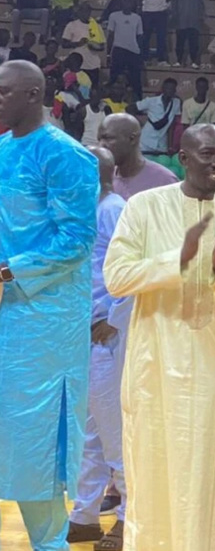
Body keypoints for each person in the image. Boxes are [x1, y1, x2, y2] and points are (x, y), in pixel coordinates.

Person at [103, 123, 215, 551]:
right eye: (208, 153)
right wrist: (181, 258)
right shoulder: (144, 208)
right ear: (183, 159)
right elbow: (116, 277)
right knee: (154, 475)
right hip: (156, 369)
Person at [0, 60, 98, 551]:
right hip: (6, 313)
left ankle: (51, 543)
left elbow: (77, 240)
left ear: (33, 94)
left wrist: (8, 271)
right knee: (11, 435)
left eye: (4, 91)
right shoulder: (1, 150)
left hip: (46, 319)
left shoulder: (67, 155)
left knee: (36, 433)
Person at [65, 145, 129, 551]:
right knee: (88, 433)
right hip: (82, 334)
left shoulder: (116, 209)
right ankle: (84, 515)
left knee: (115, 431)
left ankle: (127, 518)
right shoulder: (84, 210)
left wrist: (110, 319)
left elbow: (129, 273)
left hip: (108, 337)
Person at [98, 113, 179, 199]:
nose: (101, 145)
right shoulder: (103, 179)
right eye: (99, 140)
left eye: (108, 138)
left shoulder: (164, 180)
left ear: (132, 139)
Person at [129, 77, 181, 154]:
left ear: (175, 91)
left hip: (162, 143)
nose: (169, 90)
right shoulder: (151, 101)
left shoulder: (176, 103)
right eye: (168, 88)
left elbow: (171, 127)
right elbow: (129, 108)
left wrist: (170, 146)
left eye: (172, 89)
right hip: (145, 141)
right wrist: (138, 122)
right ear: (163, 89)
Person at [106, 0, 144, 99]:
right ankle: (111, 101)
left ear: (132, 4)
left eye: (129, 1)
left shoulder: (137, 18)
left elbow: (140, 36)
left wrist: (140, 53)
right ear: (121, 3)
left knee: (135, 80)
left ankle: (138, 103)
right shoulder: (113, 16)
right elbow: (111, 35)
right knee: (114, 78)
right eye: (125, 1)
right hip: (118, 49)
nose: (127, 4)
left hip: (133, 51)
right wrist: (108, 53)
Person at [136, 0, 173, 66]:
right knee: (146, 36)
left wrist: (166, 3)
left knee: (161, 37)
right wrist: (139, 7)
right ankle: (145, 58)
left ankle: (161, 59)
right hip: (147, 11)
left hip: (161, 12)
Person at [62, 2, 106, 86]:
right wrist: (78, 43)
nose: (85, 13)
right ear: (79, 12)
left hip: (93, 65)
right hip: (76, 66)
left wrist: (93, 45)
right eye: (83, 10)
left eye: (88, 11)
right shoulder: (72, 25)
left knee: (91, 90)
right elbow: (64, 44)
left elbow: (102, 46)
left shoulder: (97, 26)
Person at [171, 0, 204, 68]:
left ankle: (194, 61)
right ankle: (179, 60)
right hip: (181, 17)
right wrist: (175, 12)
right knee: (180, 40)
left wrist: (200, 15)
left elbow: (200, 1)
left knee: (193, 41)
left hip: (193, 17)